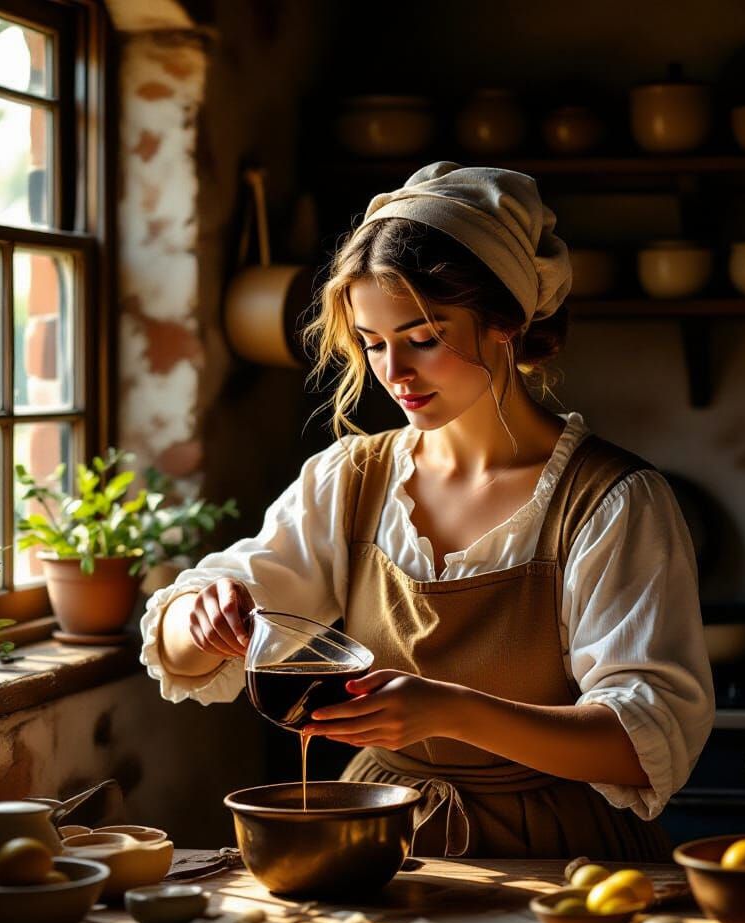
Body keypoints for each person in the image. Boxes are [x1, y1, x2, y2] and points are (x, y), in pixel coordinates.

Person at [140, 161, 714, 861]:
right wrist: (194, 615)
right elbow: (182, 647)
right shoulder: (351, 480)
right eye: (373, 344)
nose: (394, 374)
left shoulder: (612, 503)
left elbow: (641, 743)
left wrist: (450, 710)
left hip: (562, 852)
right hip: (381, 840)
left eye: (422, 337)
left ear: (505, 319)